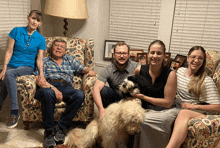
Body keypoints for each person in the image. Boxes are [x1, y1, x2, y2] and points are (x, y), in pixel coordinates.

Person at [34, 38, 96, 147]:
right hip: (48, 86)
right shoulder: (43, 61)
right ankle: (48, 132)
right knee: (48, 94)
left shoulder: (70, 59)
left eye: (62, 47)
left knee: (79, 95)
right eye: (56, 45)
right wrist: (54, 89)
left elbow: (84, 68)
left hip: (66, 87)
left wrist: (90, 71)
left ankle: (61, 127)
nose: (59, 48)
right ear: (51, 48)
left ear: (65, 51)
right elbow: (38, 79)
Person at [166, 46, 220, 148]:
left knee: (183, 113)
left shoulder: (206, 80)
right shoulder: (180, 71)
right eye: (193, 57)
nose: (196, 60)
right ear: (188, 58)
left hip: (196, 111)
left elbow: (218, 107)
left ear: (203, 61)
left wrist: (194, 106)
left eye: (200, 58)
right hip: (176, 106)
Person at [0, 10, 46, 128]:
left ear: (40, 23)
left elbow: (40, 59)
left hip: (27, 67)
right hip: (12, 64)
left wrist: (41, 74)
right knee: (2, 84)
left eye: (37, 20)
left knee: (9, 74)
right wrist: (4, 68)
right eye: (33, 18)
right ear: (28, 18)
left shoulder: (40, 39)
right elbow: (9, 51)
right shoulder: (16, 31)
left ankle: (14, 111)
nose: (34, 21)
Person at [133, 40, 179, 148]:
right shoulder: (139, 70)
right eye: (152, 52)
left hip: (165, 110)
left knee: (144, 121)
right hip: (144, 107)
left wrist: (144, 97)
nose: (155, 56)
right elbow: (131, 87)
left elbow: (168, 103)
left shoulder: (171, 74)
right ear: (148, 54)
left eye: (159, 53)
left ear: (164, 56)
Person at [92, 41, 139, 118]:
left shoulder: (136, 67)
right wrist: (100, 109)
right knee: (103, 90)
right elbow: (95, 89)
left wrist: (135, 97)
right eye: (119, 53)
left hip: (132, 100)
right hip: (115, 100)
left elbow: (145, 85)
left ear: (129, 55)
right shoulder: (108, 69)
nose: (121, 56)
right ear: (114, 55)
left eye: (124, 53)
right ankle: (108, 115)